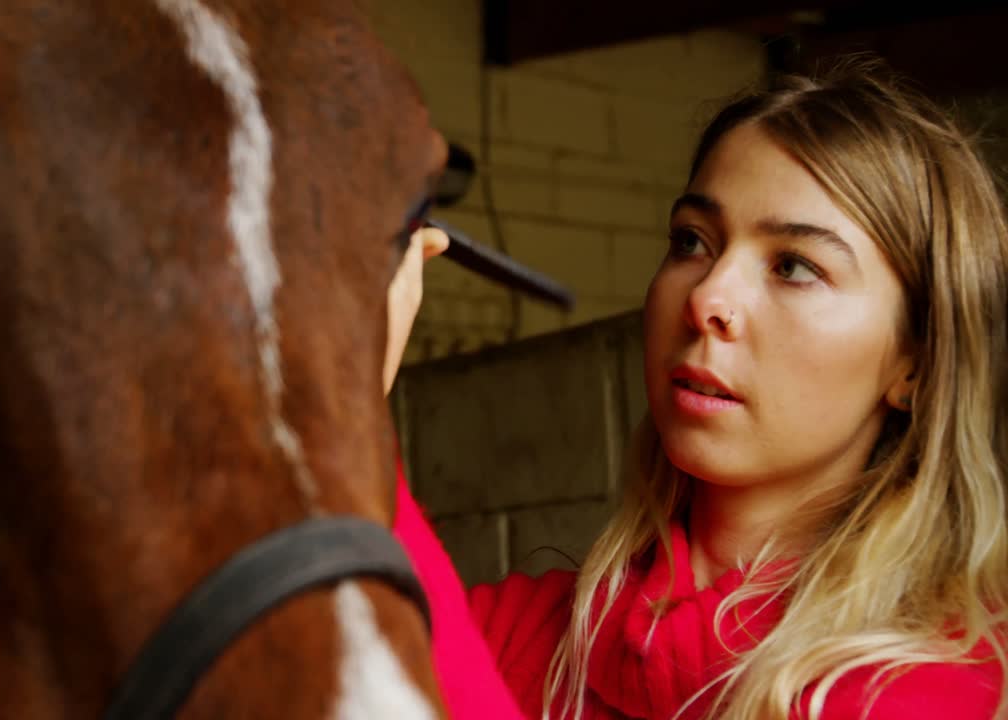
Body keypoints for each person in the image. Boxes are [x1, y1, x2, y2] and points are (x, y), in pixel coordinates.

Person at [387, 56, 1008, 720]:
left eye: (794, 266)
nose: (707, 296)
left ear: (915, 366)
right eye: (692, 241)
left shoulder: (932, 683)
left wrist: (351, 419)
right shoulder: (524, 632)